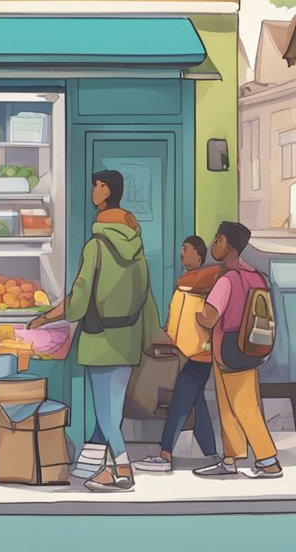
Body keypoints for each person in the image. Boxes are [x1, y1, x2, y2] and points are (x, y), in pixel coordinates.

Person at [30, 170, 159, 492]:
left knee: (105, 410)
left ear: (107, 191)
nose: (93, 191)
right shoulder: (137, 246)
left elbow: (77, 301)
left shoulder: (96, 246)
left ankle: (123, 471)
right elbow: (146, 296)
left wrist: (45, 319)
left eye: (97, 186)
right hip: (128, 337)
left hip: (101, 339)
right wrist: (149, 335)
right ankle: (110, 469)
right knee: (112, 408)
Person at [195, 221, 283, 479]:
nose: (214, 243)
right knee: (229, 405)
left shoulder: (227, 278)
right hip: (252, 345)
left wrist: (196, 316)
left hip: (229, 348)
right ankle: (230, 458)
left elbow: (209, 317)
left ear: (231, 247)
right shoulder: (256, 275)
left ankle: (268, 461)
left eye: (219, 239)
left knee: (243, 406)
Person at [135, 236, 221, 473]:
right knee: (196, 403)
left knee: (180, 404)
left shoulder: (203, 285)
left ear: (199, 255)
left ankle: (165, 455)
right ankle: (212, 454)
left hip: (199, 355)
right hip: (186, 353)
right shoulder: (185, 284)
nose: (182, 254)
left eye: (186, 250)